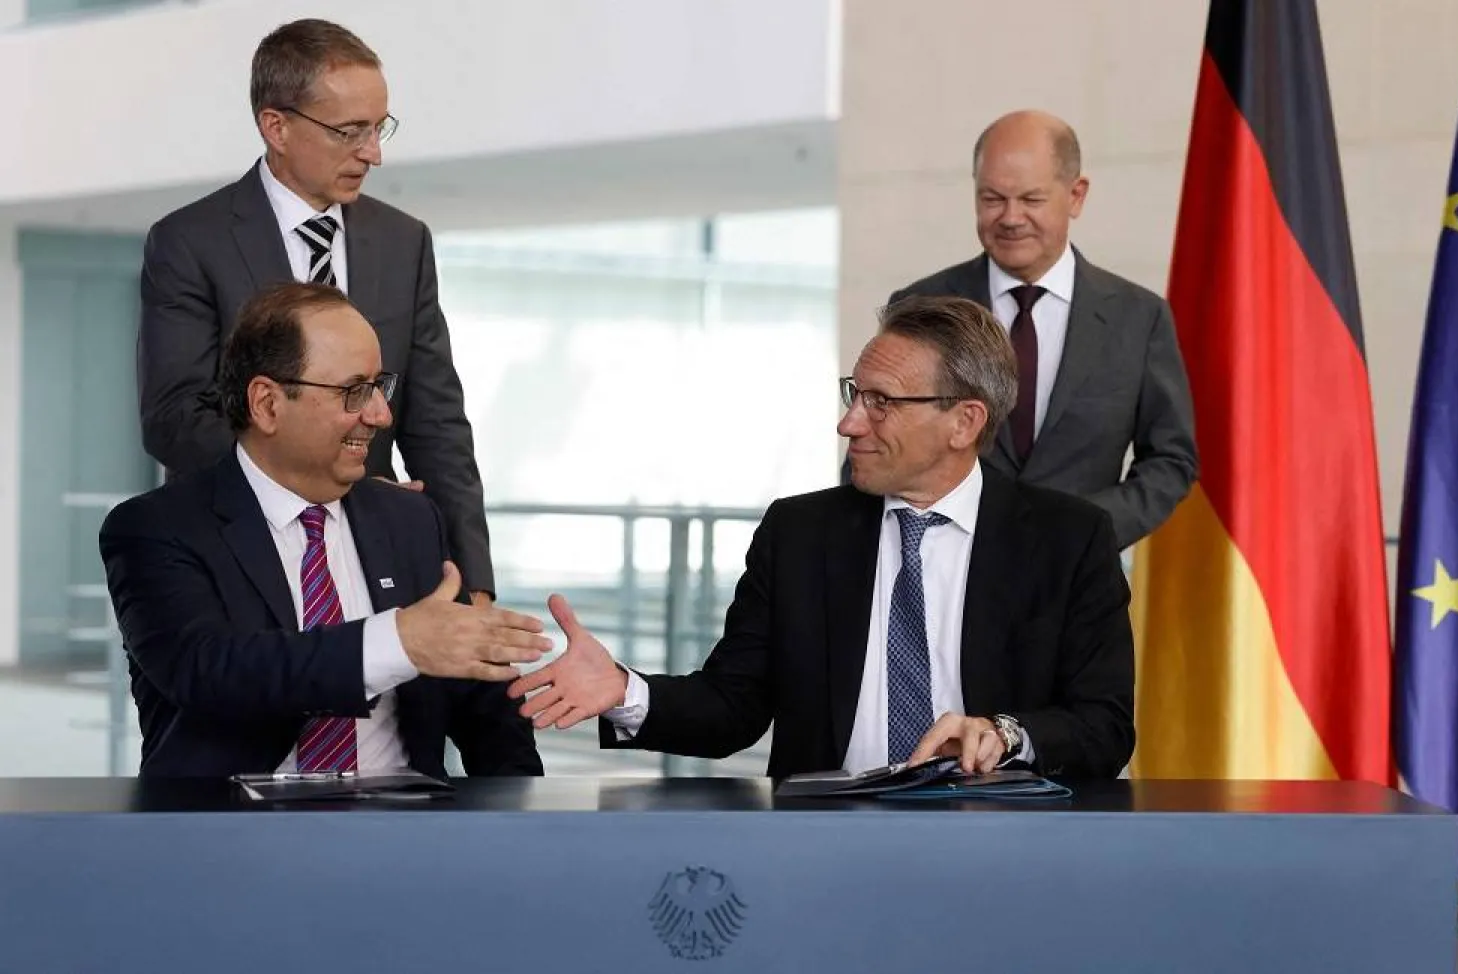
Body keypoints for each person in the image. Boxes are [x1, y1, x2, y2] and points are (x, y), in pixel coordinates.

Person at [508, 295, 1135, 780]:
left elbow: (1103, 727)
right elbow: (732, 709)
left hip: (996, 847)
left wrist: (1005, 733)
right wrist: (625, 690)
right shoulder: (801, 533)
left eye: (881, 402)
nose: (849, 422)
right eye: (853, 394)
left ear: (963, 421)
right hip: (821, 849)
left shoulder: (1068, 539)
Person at [102, 283, 547, 778]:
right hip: (232, 837)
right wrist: (395, 644)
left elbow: (483, 710)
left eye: (381, 386)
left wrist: (523, 830)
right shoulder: (157, 528)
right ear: (267, 404)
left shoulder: (410, 520)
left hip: (401, 832)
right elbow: (208, 671)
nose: (380, 414)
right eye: (354, 390)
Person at [137, 18, 497, 607]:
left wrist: (474, 585)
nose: (373, 153)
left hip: (381, 565)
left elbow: (437, 424)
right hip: (239, 558)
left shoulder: (403, 242)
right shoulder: (188, 241)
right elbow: (175, 418)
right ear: (276, 126)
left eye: (380, 128)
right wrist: (329, 488)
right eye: (350, 131)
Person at [887, 110, 1197, 548]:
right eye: (992, 199)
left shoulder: (1139, 318)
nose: (1011, 218)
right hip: (941, 573)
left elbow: (1171, 459)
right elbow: (880, 443)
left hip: (1078, 582)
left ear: (1076, 196)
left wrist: (1088, 528)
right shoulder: (922, 308)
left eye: (1031, 200)